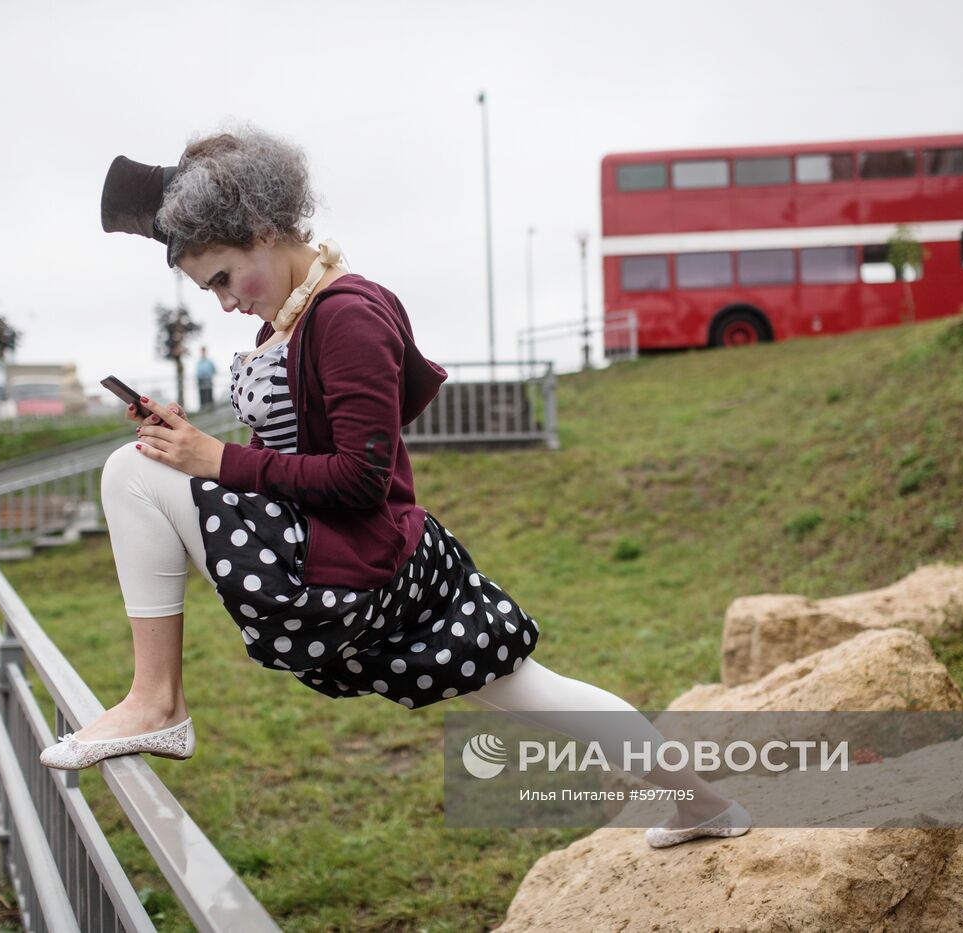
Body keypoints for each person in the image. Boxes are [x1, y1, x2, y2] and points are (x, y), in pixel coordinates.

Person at [39, 125, 748, 848]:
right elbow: (290, 452)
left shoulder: (347, 316)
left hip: (366, 561)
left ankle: (157, 702)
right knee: (533, 690)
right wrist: (192, 443)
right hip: (376, 553)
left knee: (131, 474)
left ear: (259, 231)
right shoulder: (291, 315)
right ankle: (703, 804)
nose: (223, 302)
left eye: (222, 278)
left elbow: (358, 479)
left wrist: (215, 462)